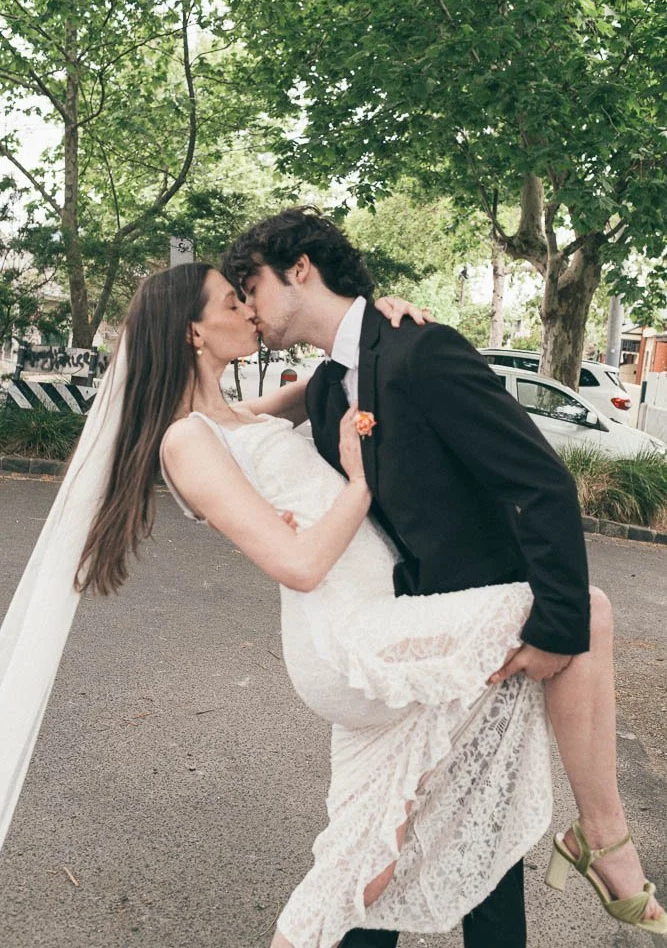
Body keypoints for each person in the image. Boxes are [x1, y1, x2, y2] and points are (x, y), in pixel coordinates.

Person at [1, 260, 663, 948]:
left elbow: (353, 361)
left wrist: (389, 313)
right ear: (194, 332)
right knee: (583, 607)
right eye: (234, 301)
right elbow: (299, 562)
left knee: (365, 866)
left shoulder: (234, 416)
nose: (250, 312)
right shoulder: (184, 439)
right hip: (351, 642)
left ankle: (586, 845)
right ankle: (603, 837)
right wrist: (354, 484)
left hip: (374, 629)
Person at [220, 207, 666, 947]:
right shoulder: (332, 387)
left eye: (251, 284)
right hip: (417, 638)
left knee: (459, 833)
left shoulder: (421, 352)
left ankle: (603, 839)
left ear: (299, 269)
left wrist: (556, 630)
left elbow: (540, 484)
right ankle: (601, 847)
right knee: (406, 831)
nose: (248, 306)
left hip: (488, 625)